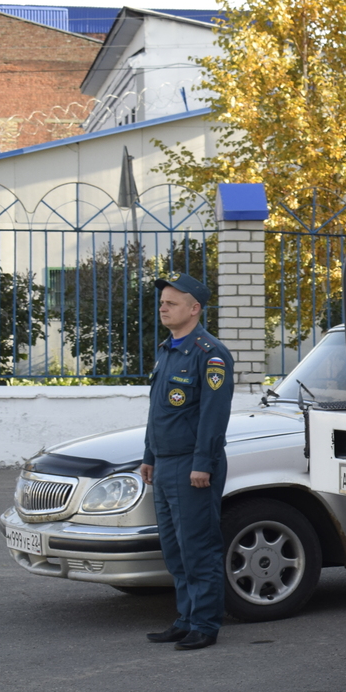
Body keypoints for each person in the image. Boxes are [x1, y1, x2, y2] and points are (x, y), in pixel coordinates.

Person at [139, 273, 234, 651]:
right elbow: (157, 412)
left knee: (198, 547)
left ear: (194, 309)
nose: (163, 307)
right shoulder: (167, 349)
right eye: (162, 301)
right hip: (164, 464)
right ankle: (185, 617)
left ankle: (206, 623)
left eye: (172, 302)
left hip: (192, 466)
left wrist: (203, 464)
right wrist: (149, 456)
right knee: (174, 549)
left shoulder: (210, 354)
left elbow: (214, 416)